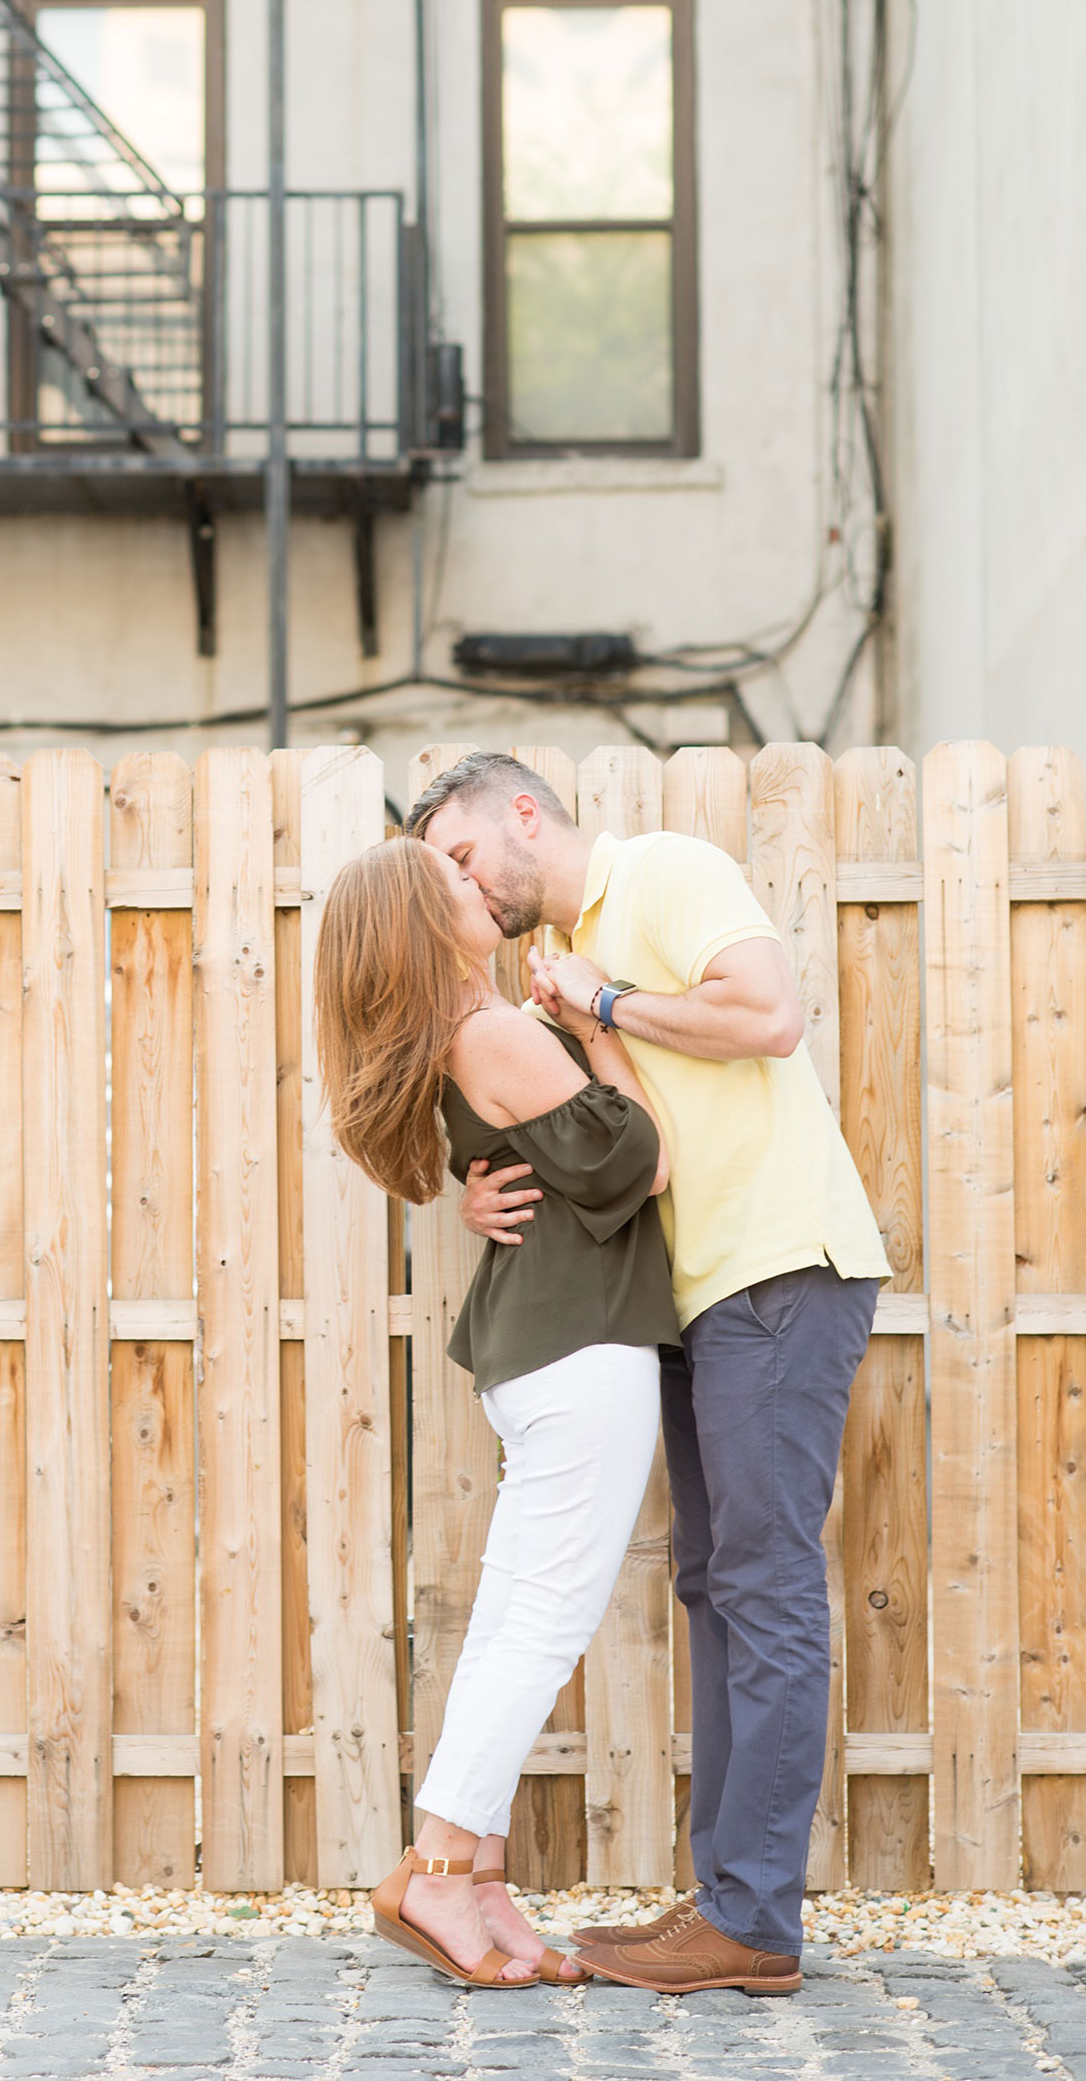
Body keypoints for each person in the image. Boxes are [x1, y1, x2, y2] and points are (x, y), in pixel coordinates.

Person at [407, 753, 889, 1998]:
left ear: (523, 813)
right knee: (713, 1585)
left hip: (774, 1265)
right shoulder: (555, 960)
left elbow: (767, 1018)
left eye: (460, 854)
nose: (459, 881)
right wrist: (476, 1186)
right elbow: (577, 1130)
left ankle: (749, 1921)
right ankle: (729, 1902)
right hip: (693, 1294)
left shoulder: (663, 874)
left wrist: (607, 1001)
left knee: (762, 1584)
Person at [314, 833, 678, 1988]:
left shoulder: (465, 1037)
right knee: (537, 1627)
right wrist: (601, 1026)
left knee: (517, 1620)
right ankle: (432, 1873)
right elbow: (641, 1165)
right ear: (427, 925)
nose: (482, 890)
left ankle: (469, 1878)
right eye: (455, 887)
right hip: (581, 1348)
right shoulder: (495, 1033)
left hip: (548, 1349)